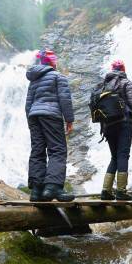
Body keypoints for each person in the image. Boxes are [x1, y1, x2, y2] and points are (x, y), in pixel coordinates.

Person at [25, 49, 75, 202]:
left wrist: (30, 121)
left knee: (37, 150)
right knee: (57, 149)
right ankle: (53, 187)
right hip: (51, 115)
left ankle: (36, 190)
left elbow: (28, 103)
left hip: (34, 116)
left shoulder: (34, 80)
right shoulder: (58, 77)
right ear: (53, 62)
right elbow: (64, 99)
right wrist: (69, 119)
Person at [100, 60, 132, 201]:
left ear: (112, 69)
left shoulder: (104, 85)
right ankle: (121, 191)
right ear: (123, 69)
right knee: (123, 155)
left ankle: (105, 191)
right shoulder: (126, 82)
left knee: (114, 156)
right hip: (124, 122)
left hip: (108, 126)